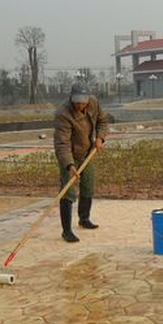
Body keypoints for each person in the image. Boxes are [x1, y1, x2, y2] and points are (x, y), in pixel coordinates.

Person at [54, 84, 109, 242]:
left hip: (88, 152)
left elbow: (102, 121)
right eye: (77, 102)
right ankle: (66, 231)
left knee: (88, 184)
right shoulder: (63, 114)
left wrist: (100, 138)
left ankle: (84, 219)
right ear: (71, 99)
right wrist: (70, 165)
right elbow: (62, 144)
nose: (80, 105)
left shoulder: (93, 103)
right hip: (69, 155)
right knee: (68, 191)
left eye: (83, 102)